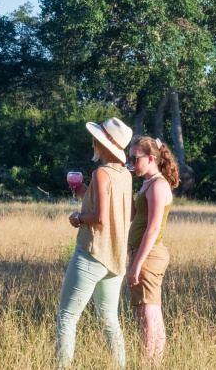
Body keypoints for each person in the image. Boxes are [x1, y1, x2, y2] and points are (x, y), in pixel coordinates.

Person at [56, 117, 133, 368]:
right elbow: (126, 211)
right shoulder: (126, 175)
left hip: (93, 253)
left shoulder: (101, 172)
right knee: (110, 320)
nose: (93, 143)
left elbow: (99, 218)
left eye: (96, 139)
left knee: (67, 317)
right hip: (116, 258)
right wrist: (85, 191)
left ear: (104, 144)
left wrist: (78, 217)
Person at [126, 136, 179, 365]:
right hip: (143, 254)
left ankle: (149, 363)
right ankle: (154, 363)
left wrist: (137, 263)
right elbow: (133, 215)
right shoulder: (147, 183)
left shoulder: (158, 185)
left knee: (148, 314)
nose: (131, 163)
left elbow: (154, 227)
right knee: (148, 311)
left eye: (134, 159)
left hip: (148, 255)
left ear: (150, 158)